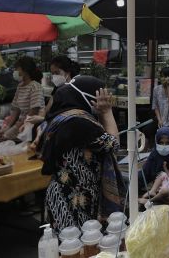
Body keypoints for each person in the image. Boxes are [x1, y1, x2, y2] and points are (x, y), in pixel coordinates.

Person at [41, 76, 125, 231]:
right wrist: (107, 112)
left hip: (62, 194)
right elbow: (113, 144)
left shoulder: (61, 118)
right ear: (90, 98)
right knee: (77, 250)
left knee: (68, 248)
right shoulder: (80, 123)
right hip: (73, 200)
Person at [28, 55, 80, 151]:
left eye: (57, 73)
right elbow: (48, 107)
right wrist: (41, 117)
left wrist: (43, 119)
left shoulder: (74, 88)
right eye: (53, 74)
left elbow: (66, 113)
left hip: (66, 123)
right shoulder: (58, 88)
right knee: (36, 127)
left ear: (68, 71)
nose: (55, 77)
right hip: (52, 120)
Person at [0, 56, 45, 141]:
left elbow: (33, 112)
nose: (15, 72)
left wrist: (14, 129)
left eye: (17, 69)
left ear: (25, 71)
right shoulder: (20, 86)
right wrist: (8, 127)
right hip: (20, 125)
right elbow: (16, 110)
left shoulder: (35, 87)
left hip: (31, 128)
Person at [139, 128, 169, 206]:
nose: (164, 146)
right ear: (156, 142)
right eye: (161, 142)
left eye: (168, 143)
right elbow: (143, 174)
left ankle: (151, 201)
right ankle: (152, 194)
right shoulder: (154, 155)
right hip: (159, 186)